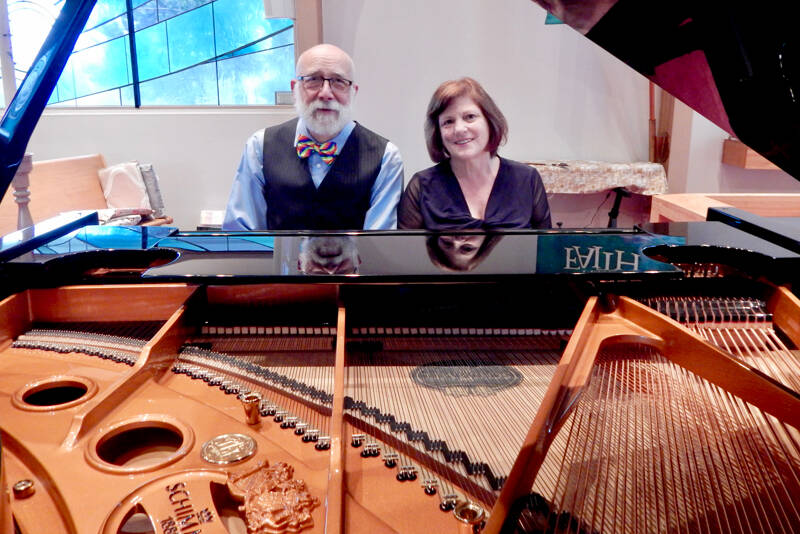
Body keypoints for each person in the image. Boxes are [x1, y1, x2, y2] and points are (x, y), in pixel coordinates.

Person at [223, 44, 404, 231]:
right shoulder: (259, 147)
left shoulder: (386, 158)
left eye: (339, 81)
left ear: (353, 92)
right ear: (295, 88)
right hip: (276, 262)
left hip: (359, 262)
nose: (325, 93)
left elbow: (380, 247)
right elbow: (242, 237)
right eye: (314, 80)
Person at [398, 77, 551, 230]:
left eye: (469, 117)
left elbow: (546, 250)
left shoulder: (527, 179)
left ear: (490, 121)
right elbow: (405, 251)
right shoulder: (421, 187)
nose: (459, 129)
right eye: (448, 122)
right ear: (438, 133)